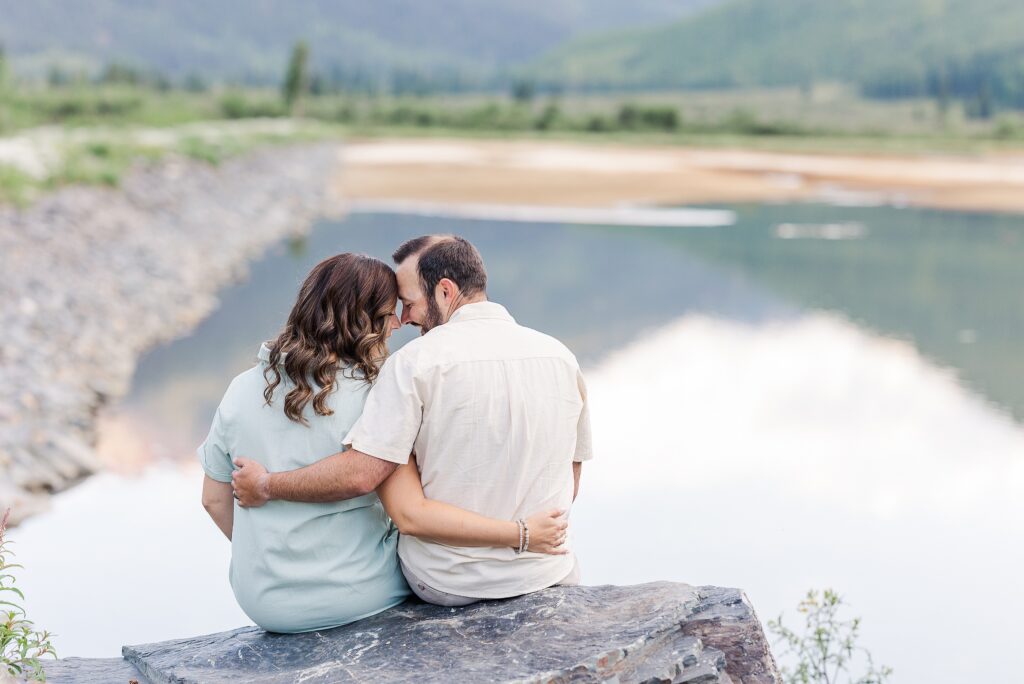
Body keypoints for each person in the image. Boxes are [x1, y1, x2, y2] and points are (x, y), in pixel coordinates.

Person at [199, 253, 567, 633]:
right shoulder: (376, 392)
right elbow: (394, 500)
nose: (397, 323)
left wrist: (269, 555)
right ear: (359, 319)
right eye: (389, 312)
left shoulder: (240, 389)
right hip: (362, 592)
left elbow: (213, 499)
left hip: (264, 601)